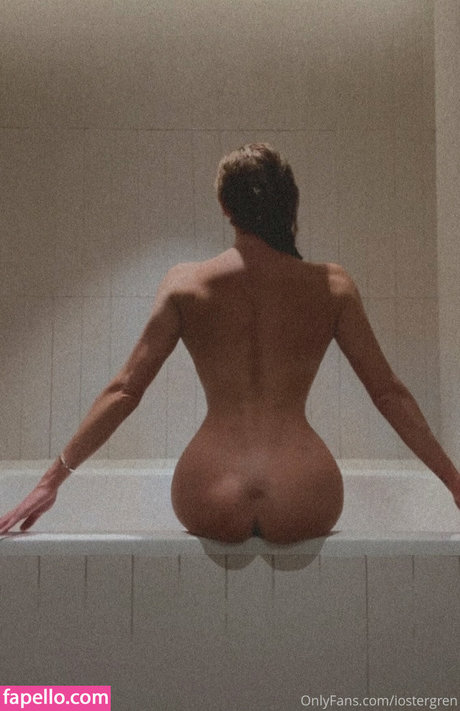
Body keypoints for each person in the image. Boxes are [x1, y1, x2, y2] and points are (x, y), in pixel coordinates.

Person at [0, 143, 459, 543]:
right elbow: (388, 394)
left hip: (208, 491)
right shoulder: (331, 285)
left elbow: (124, 391)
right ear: (288, 201)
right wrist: (454, 483)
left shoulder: (186, 284)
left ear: (225, 206)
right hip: (304, 490)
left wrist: (51, 481)